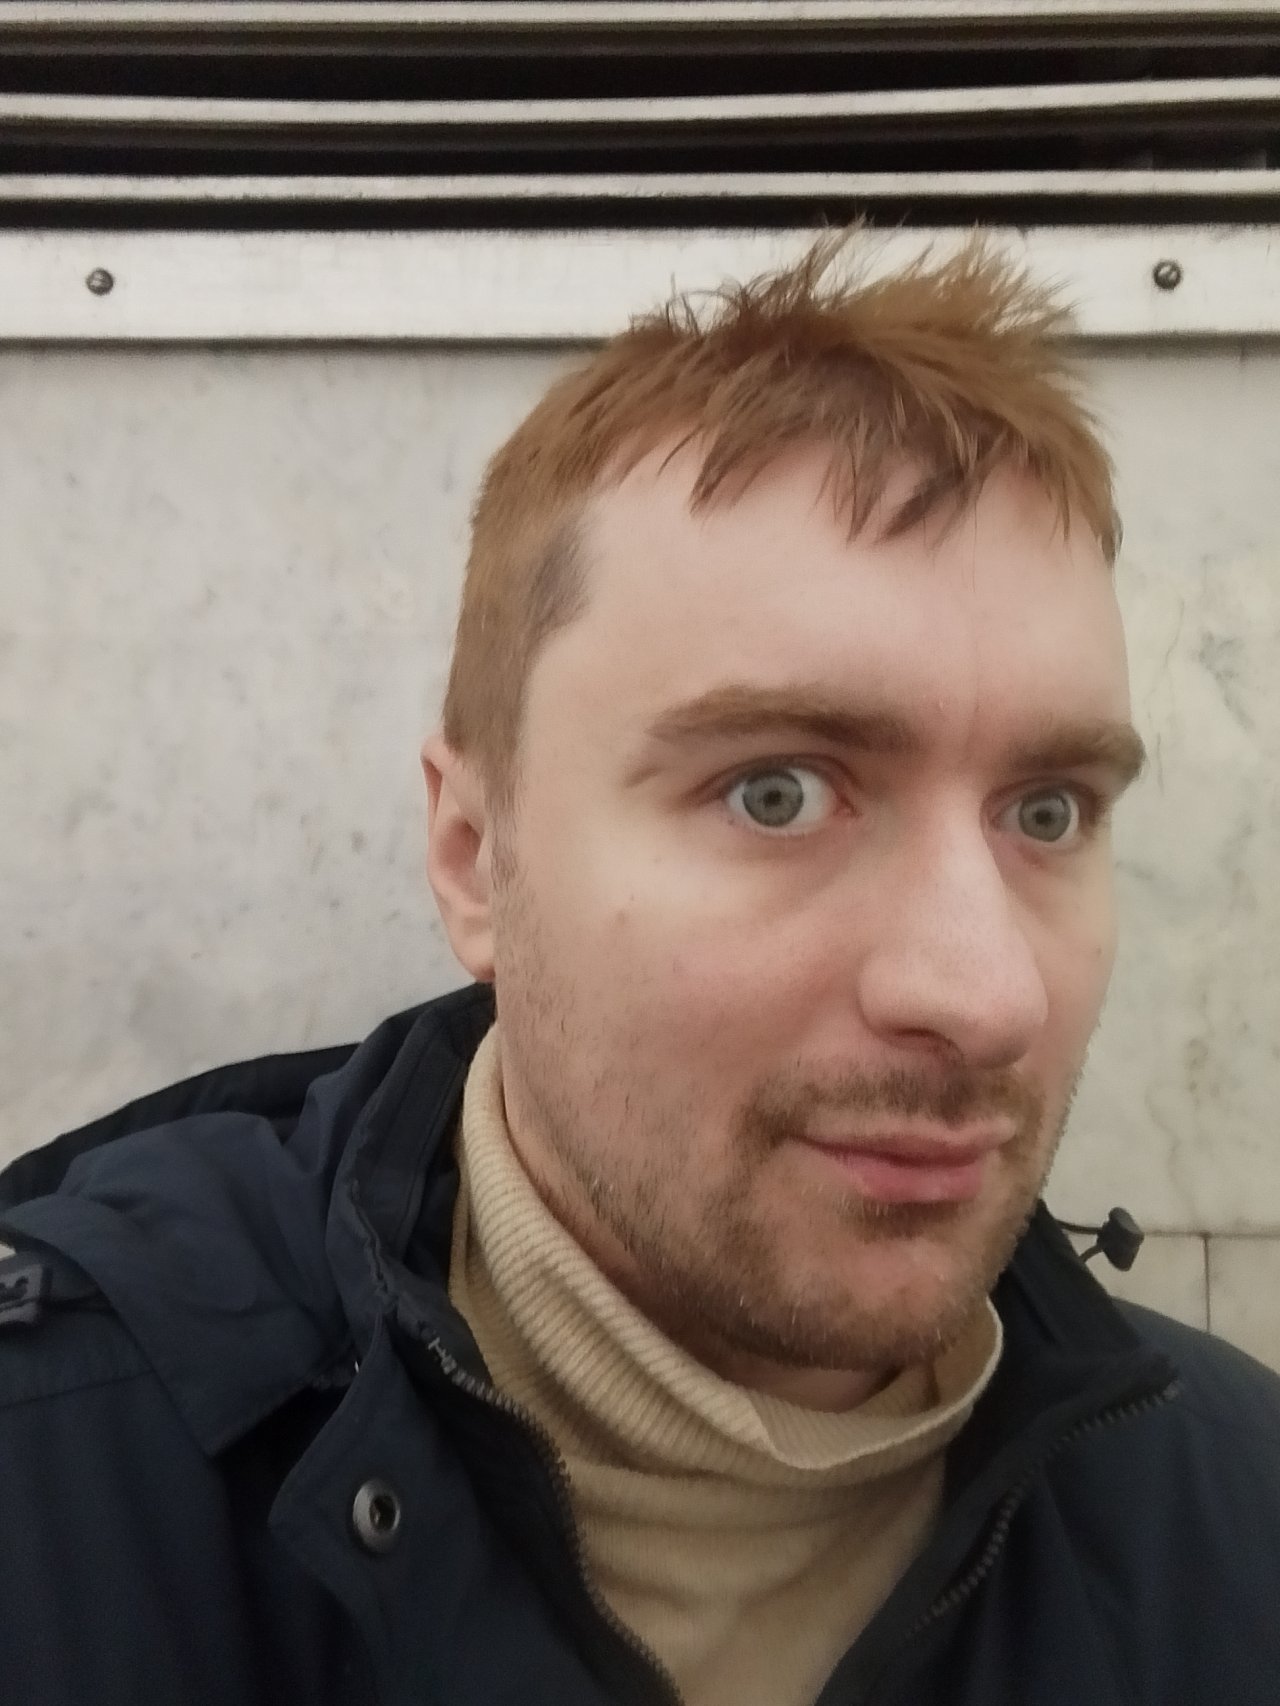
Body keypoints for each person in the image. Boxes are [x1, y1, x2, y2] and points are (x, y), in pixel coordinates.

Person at [1, 231, 1277, 1706]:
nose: (986, 996)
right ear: (476, 856)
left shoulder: (1235, 1523)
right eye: (777, 793)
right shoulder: (59, 1484)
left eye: (1047, 812)